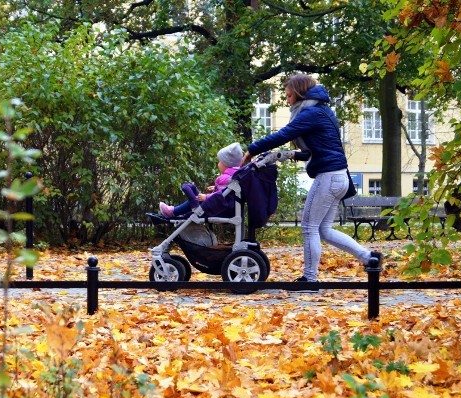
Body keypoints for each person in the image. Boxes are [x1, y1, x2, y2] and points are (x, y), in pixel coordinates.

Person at [242, 74, 382, 284]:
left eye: (289, 96)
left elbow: (284, 134)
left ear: (299, 93)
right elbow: (319, 149)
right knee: (323, 230)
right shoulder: (321, 110)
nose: (287, 100)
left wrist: (252, 150)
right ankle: (369, 257)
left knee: (308, 227)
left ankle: (309, 279)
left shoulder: (311, 113)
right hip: (338, 176)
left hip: (328, 177)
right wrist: (292, 155)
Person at [159, 142, 244, 218]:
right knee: (196, 200)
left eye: (219, 162)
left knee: (196, 200)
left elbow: (222, 196)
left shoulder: (226, 178)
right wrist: (215, 188)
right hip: (225, 208)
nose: (218, 164)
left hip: (219, 209)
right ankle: (182, 213)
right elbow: (226, 192)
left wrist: (206, 197)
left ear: (227, 164)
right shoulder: (234, 176)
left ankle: (173, 212)